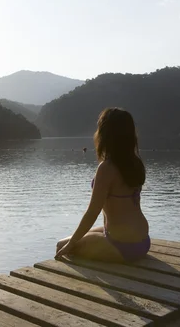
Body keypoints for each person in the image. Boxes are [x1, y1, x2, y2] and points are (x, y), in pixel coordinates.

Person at [55, 107, 150, 262]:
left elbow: (93, 212)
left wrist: (71, 244)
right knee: (76, 240)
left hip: (122, 246)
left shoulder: (107, 168)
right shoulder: (135, 163)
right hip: (143, 241)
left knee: (61, 246)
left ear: (106, 135)